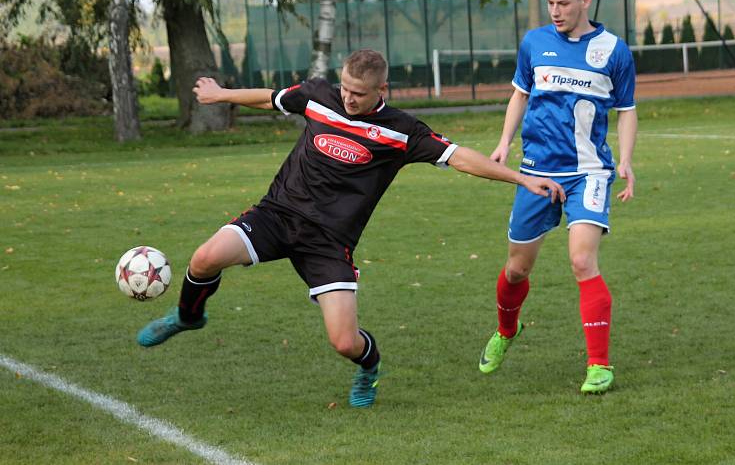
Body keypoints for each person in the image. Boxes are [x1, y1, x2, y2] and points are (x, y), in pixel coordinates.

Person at [137, 49, 565, 408]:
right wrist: (220, 95)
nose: (348, 97)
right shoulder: (319, 94)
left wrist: (523, 179)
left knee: (344, 342)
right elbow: (271, 98)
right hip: (277, 215)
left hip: (328, 243)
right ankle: (189, 317)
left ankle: (369, 368)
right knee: (204, 258)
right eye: (345, 87)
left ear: (383, 90)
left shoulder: (401, 131)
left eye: (358, 93)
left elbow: (461, 157)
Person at [477, 0, 638, 394]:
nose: (555, 10)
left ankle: (599, 366)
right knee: (516, 269)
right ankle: (507, 331)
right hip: (536, 174)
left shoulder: (614, 51)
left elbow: (627, 109)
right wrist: (504, 141)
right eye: (550, 2)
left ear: (585, 0)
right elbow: (520, 94)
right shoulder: (534, 43)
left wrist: (625, 159)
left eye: (563, 3)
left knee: (583, 261)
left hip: (589, 172)